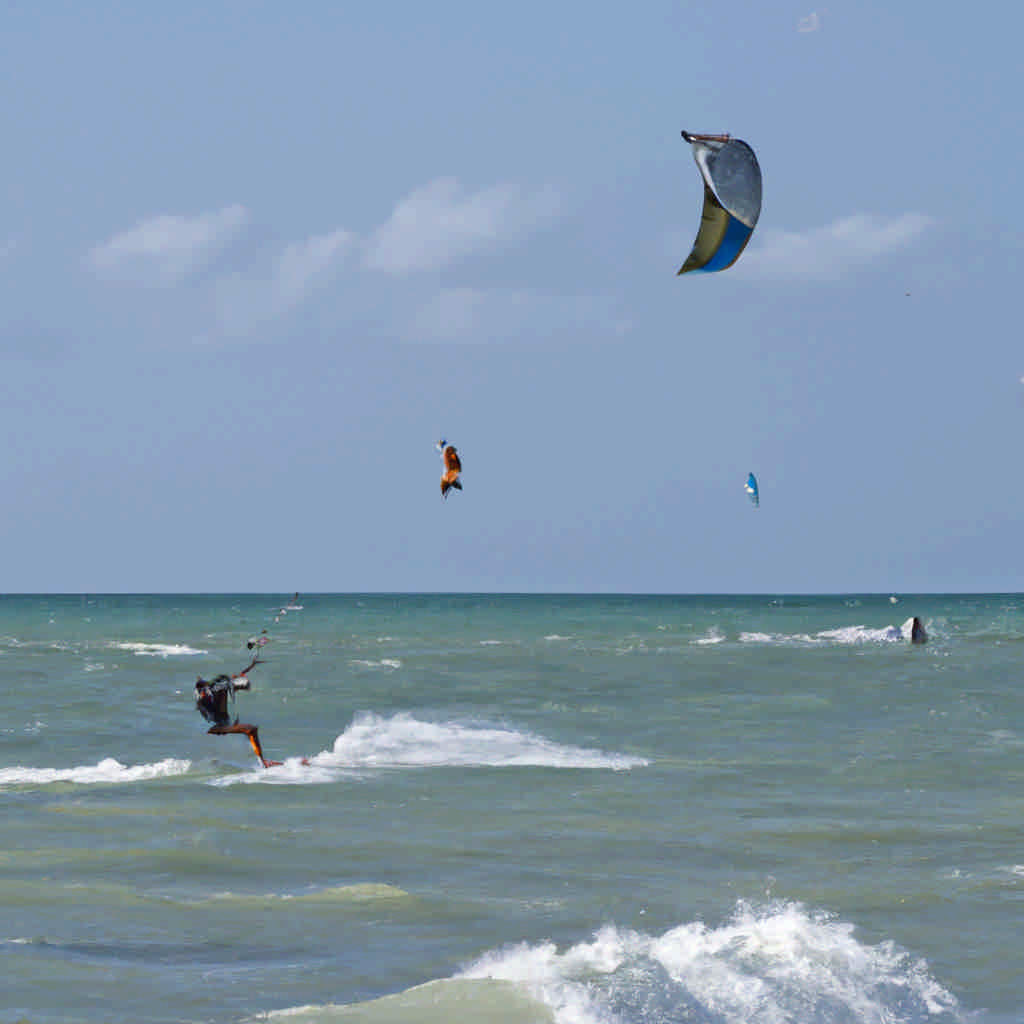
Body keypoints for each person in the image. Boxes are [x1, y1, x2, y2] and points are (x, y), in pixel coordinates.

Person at [194, 655, 280, 767]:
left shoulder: (213, 690)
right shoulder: (206, 697)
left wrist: (250, 667)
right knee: (250, 729)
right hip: (215, 726)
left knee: (245, 734)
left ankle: (257, 759)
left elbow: (233, 679)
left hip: (218, 724)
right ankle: (263, 763)